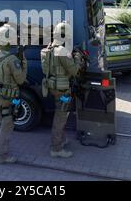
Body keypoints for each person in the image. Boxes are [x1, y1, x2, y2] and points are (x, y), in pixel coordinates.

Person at [42, 21, 82, 158]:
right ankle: (56, 148)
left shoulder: (46, 50)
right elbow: (74, 71)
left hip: (52, 87)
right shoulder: (63, 52)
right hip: (63, 89)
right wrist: (77, 58)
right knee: (61, 116)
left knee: (60, 112)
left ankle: (62, 139)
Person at [0, 24, 27, 164]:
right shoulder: (12, 60)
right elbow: (21, 79)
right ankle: (1, 156)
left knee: (0, 119)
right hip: (8, 95)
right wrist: (23, 61)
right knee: (7, 123)